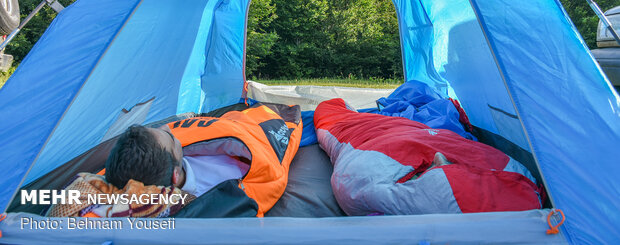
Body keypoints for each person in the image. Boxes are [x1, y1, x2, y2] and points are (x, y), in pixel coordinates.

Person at [314, 98, 541, 216]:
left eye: (441, 166)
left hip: (370, 137)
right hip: (407, 131)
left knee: (329, 111)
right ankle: (352, 112)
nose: (440, 158)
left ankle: (351, 112)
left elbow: (356, 189)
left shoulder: (362, 180)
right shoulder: (520, 178)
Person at [105, 102, 302, 217]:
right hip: (257, 135)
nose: (168, 128)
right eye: (170, 138)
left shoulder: (158, 167)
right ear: (175, 175)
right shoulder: (226, 181)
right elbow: (264, 168)